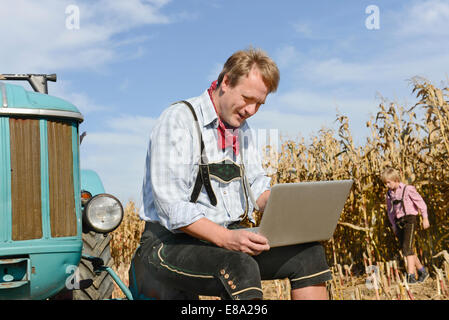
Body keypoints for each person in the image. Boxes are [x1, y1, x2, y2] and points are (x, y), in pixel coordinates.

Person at [135, 47, 332, 300]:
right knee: (240, 266)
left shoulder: (243, 130)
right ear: (225, 82)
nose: (251, 110)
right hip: (168, 243)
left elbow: (257, 186)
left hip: (227, 236)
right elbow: (171, 208)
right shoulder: (178, 120)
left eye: (259, 104)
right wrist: (227, 238)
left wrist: (287, 206)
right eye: (247, 98)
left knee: (309, 255)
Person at [381, 167, 430, 284]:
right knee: (407, 249)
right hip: (399, 222)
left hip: (410, 220)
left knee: (407, 249)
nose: (387, 185)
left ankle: (411, 276)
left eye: (389, 182)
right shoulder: (389, 194)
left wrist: (425, 218)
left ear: (396, 179)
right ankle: (422, 271)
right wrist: (393, 225)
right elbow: (390, 211)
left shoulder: (408, 189)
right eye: (385, 183)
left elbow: (421, 203)